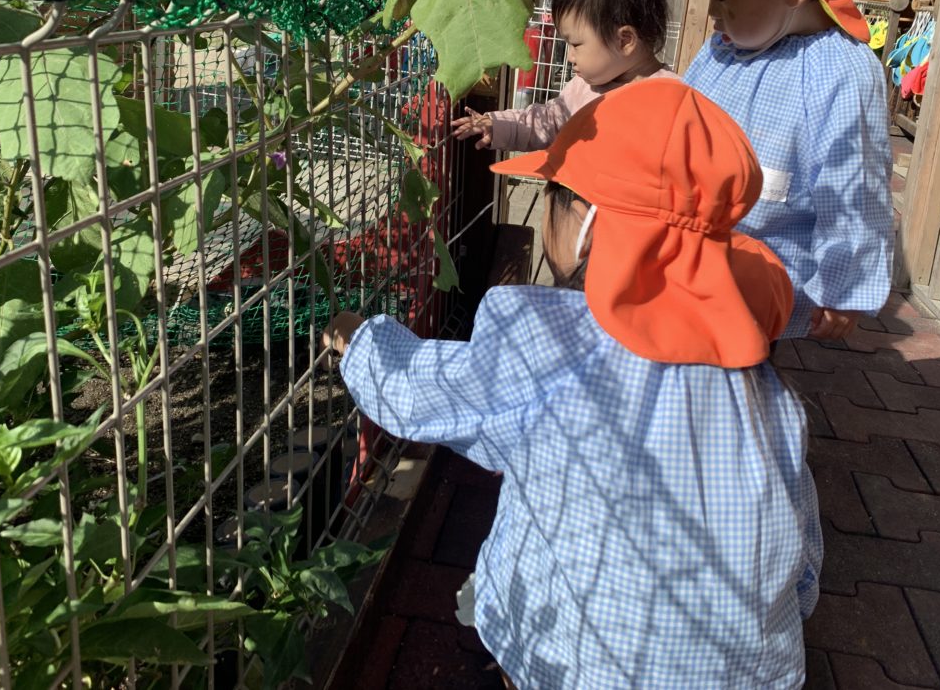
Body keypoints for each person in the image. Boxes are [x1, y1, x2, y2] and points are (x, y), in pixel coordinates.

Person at [325, 77, 823, 689]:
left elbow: (420, 392)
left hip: (580, 665)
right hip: (751, 671)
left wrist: (361, 341)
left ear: (587, 222)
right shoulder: (765, 388)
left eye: (552, 197)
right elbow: (802, 553)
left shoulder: (543, 337)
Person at [658, 0, 894, 342]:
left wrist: (842, 288)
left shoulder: (841, 73)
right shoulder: (722, 48)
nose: (713, 14)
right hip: (689, 257)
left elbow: (854, 188)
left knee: (735, 361)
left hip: (762, 277)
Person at [451, 0, 676, 152]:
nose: (569, 57)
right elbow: (546, 120)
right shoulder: (583, 88)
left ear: (624, 41)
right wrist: (498, 125)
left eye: (576, 44)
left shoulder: (672, 101)